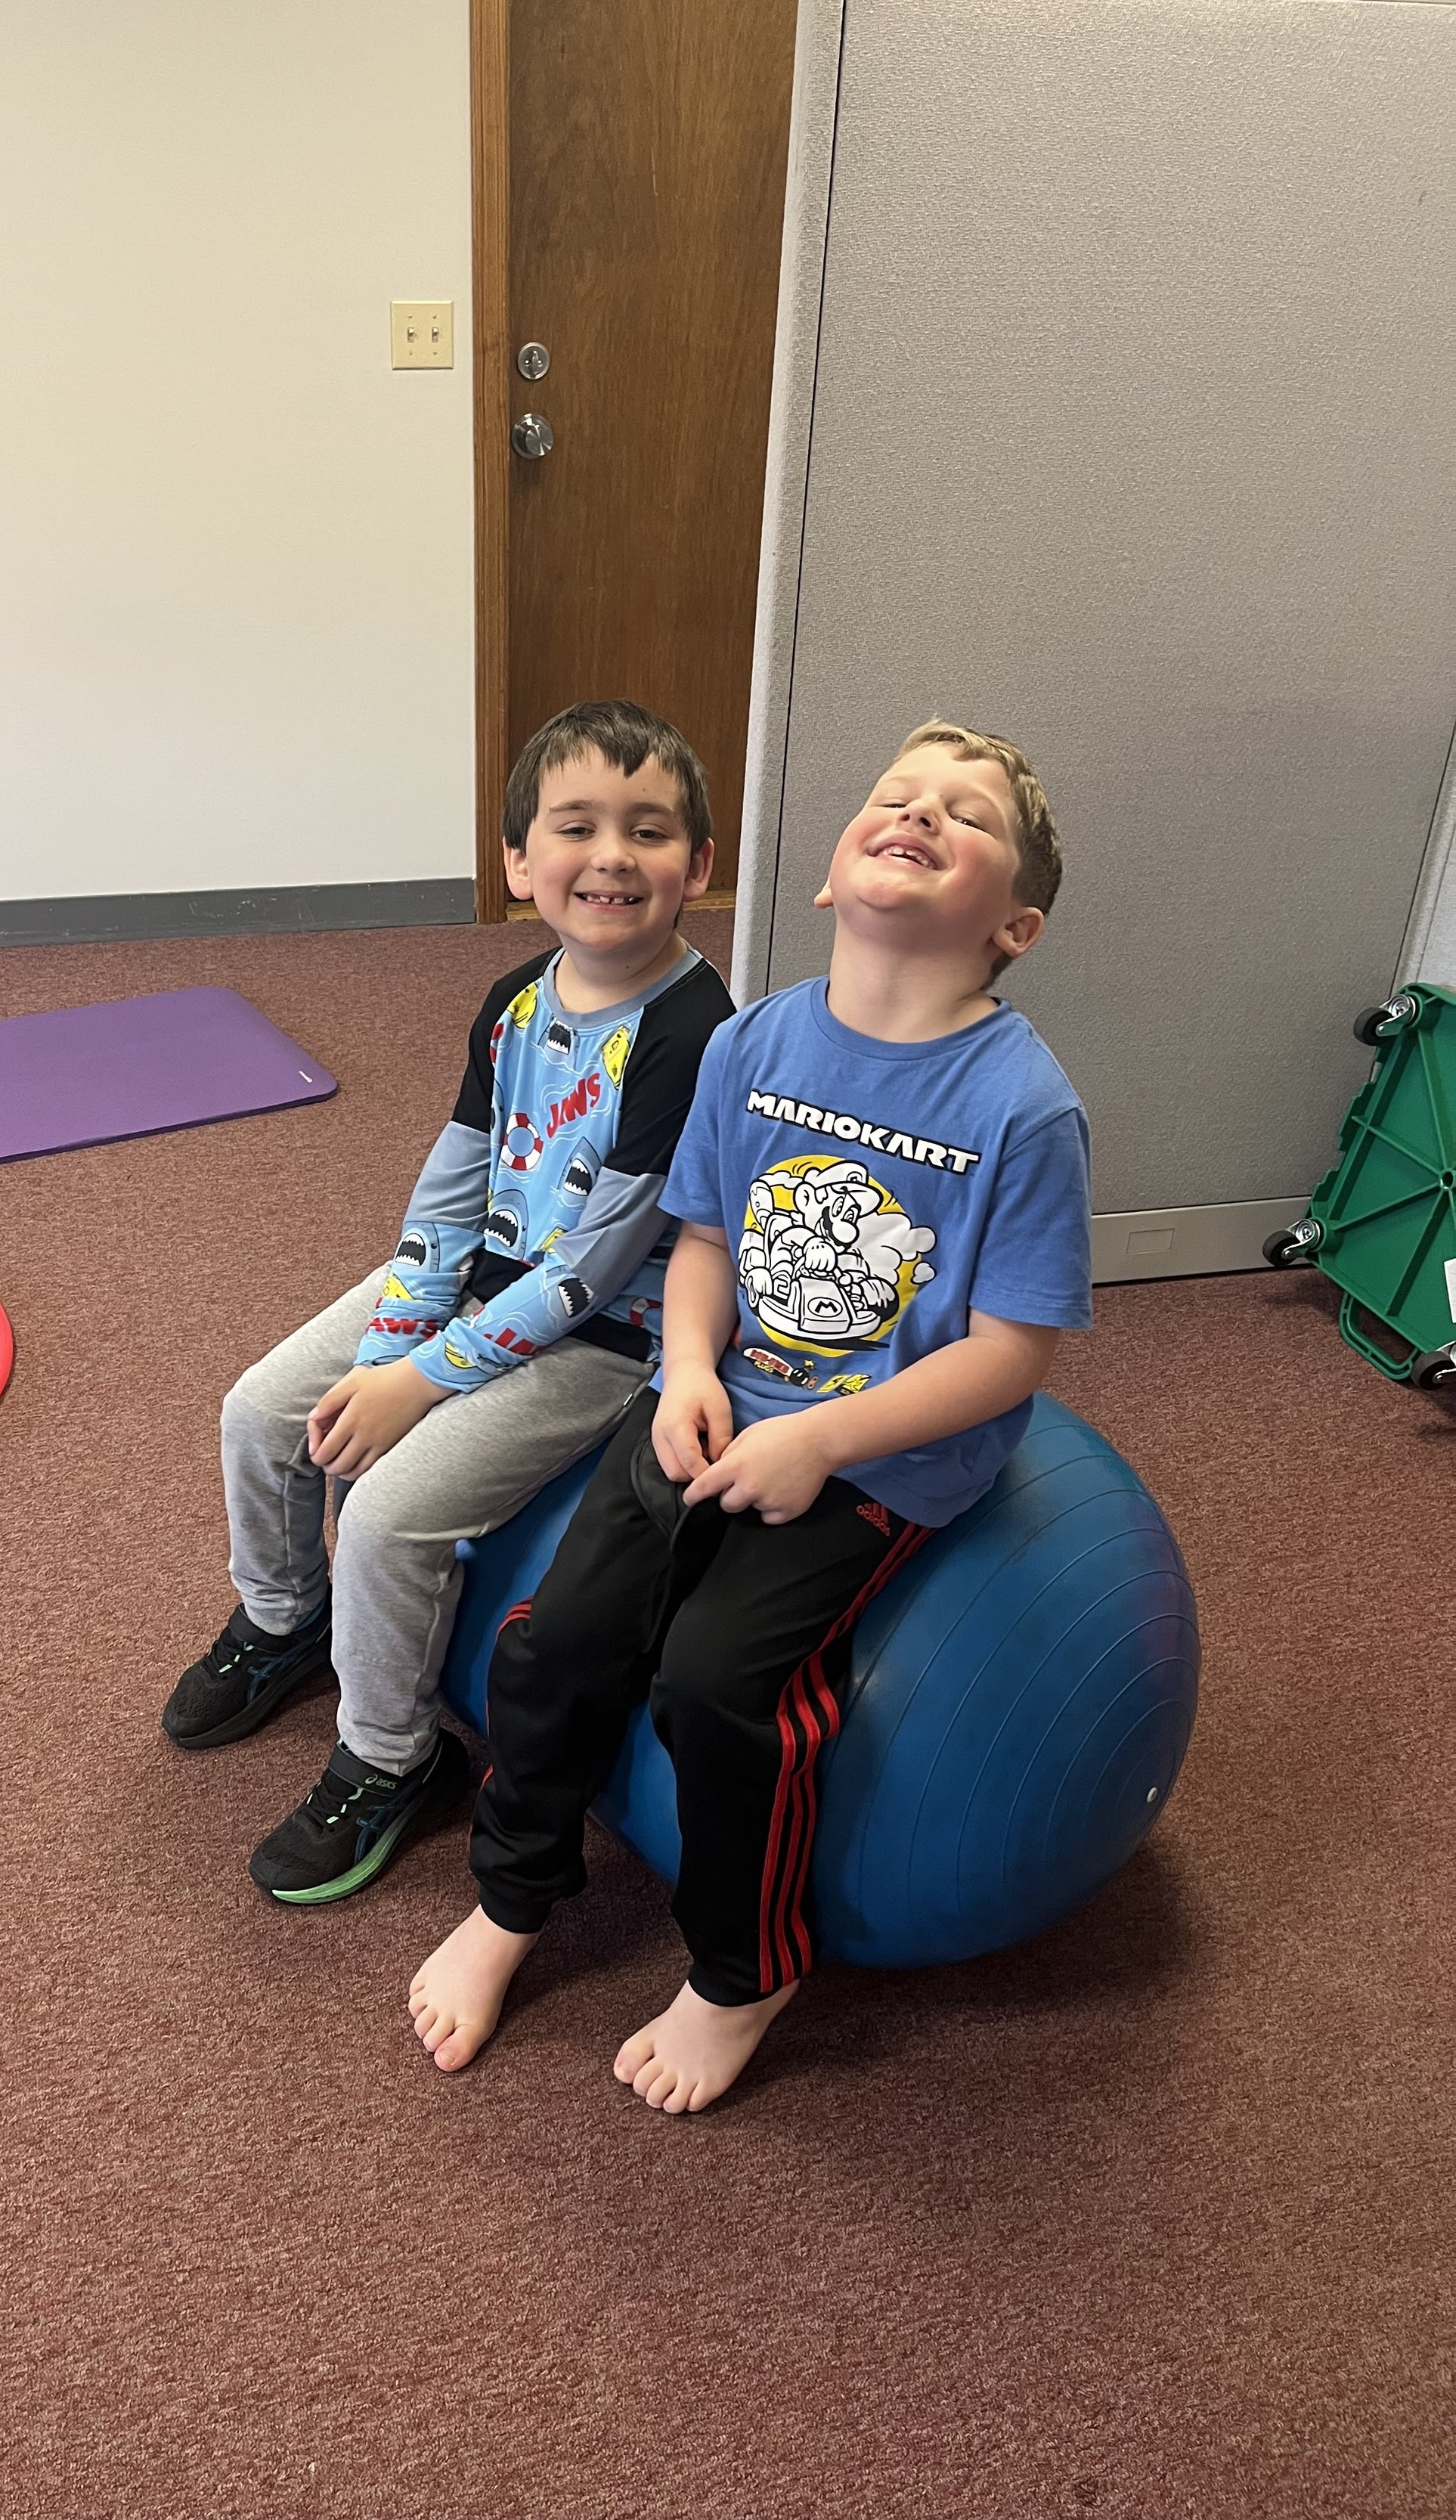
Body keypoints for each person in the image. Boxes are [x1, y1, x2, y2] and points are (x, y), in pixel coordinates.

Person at [410, 719, 1093, 2109]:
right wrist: (690, 1367)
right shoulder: (754, 1039)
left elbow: (1014, 1351)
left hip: (888, 1454)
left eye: (964, 815)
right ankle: (513, 1895)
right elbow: (709, 1239)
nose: (919, 812)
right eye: (896, 794)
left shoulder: (1024, 1108)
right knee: (553, 1642)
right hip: (716, 1401)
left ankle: (744, 1969)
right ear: (834, 874)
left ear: (1014, 925)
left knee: (716, 1684)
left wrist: (824, 1439)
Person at [163, 699, 735, 1905]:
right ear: (521, 862)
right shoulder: (517, 1000)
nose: (613, 855)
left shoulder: (692, 1033)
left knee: (386, 1514)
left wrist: (419, 1385)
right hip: (481, 1269)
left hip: (602, 1333)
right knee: (262, 1409)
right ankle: (285, 1617)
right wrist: (391, 1344)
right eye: (576, 826)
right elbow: (453, 1184)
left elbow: (593, 1266)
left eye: (649, 830)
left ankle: (391, 1756)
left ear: (698, 864)